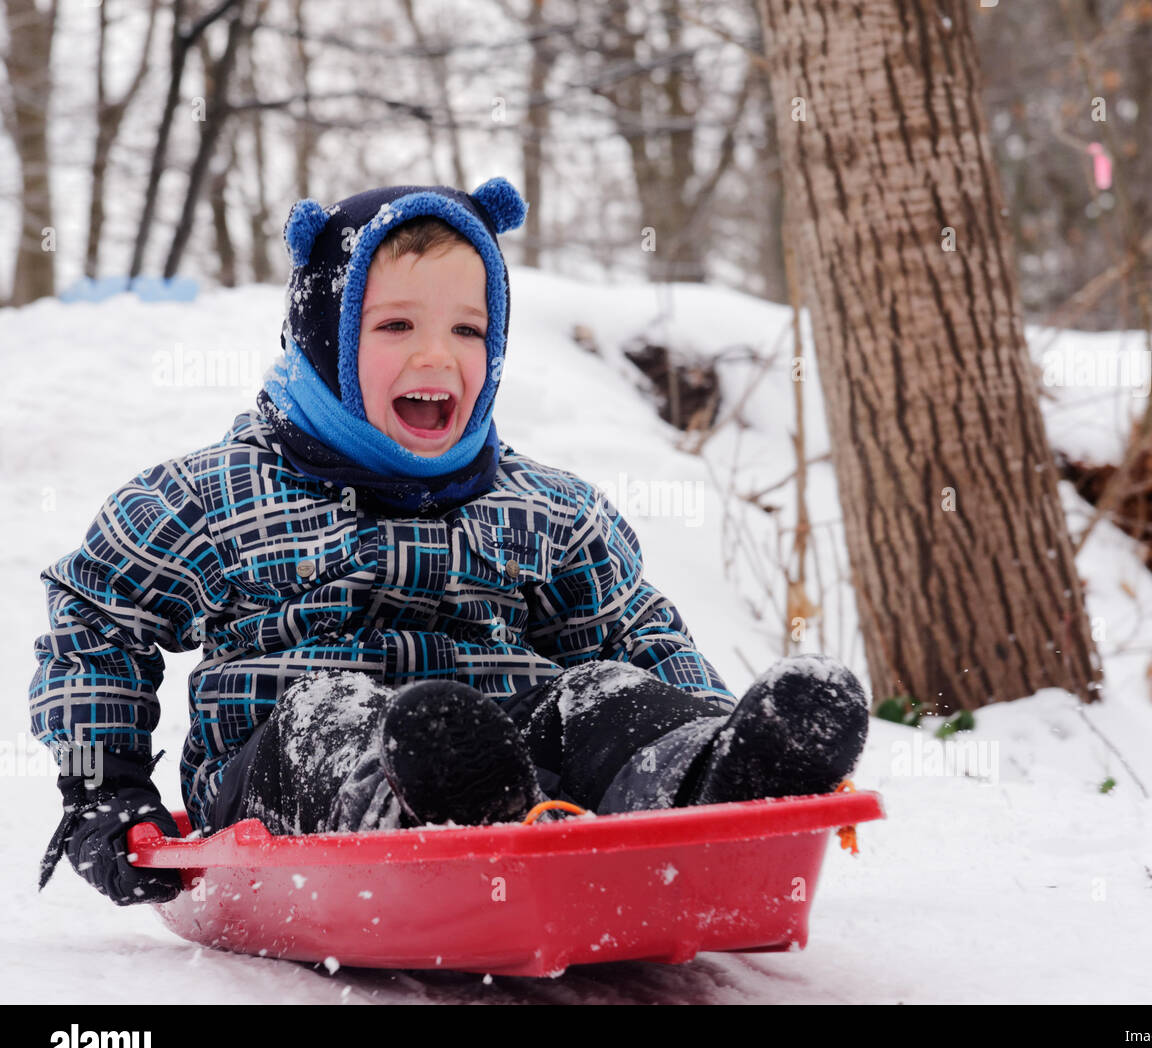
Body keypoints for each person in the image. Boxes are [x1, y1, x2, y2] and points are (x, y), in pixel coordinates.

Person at [30, 178, 871, 908]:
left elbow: (634, 633)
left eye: (469, 331)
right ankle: (451, 811)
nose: (438, 352)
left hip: (523, 768)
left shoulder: (545, 508)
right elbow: (99, 612)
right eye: (395, 324)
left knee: (598, 692)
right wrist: (106, 789)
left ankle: (721, 785)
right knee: (326, 717)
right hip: (283, 782)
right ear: (327, 338)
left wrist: (702, 717)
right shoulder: (216, 496)